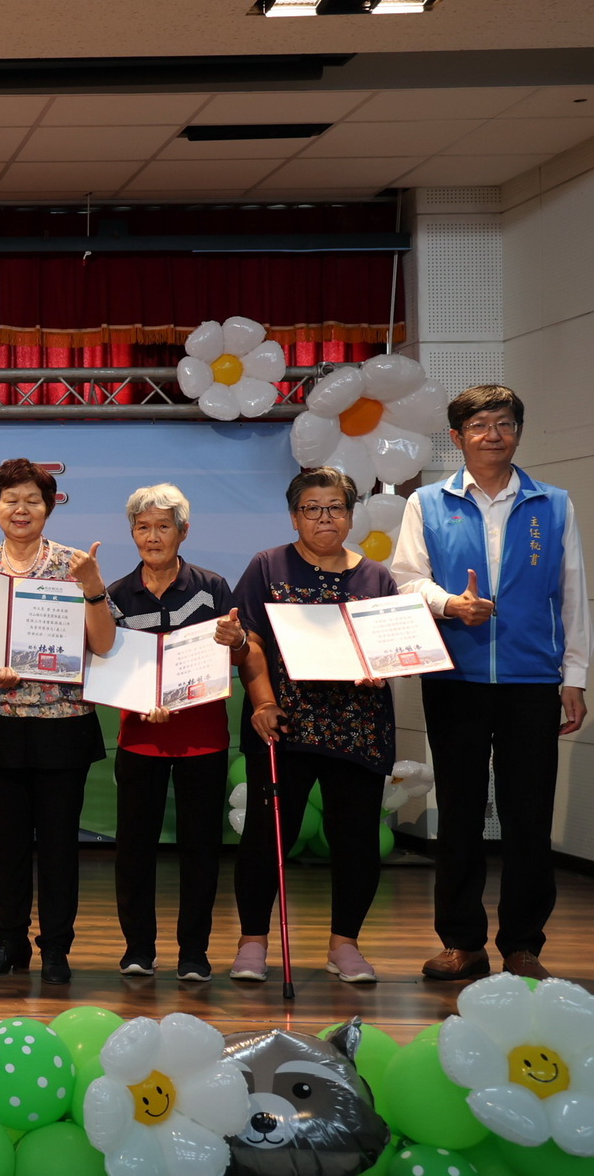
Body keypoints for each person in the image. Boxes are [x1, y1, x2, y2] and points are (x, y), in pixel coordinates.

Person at [392, 384, 588, 981]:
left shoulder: (554, 503)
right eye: (479, 426)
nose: (492, 434)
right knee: (458, 813)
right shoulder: (428, 501)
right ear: (457, 438)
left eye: (503, 423)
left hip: (533, 679)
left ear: (518, 433)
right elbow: (405, 580)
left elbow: (574, 592)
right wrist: (451, 605)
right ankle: (462, 942)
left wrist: (574, 675)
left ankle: (524, 944)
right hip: (457, 678)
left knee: (529, 815)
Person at [103, 483, 279, 983]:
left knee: (200, 849)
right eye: (143, 527)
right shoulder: (116, 595)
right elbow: (111, 665)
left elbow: (240, 654)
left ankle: (194, 953)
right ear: (132, 533)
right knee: (133, 848)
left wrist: (237, 639)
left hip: (203, 737)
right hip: (140, 736)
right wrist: (141, 702)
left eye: (163, 526)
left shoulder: (213, 587)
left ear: (183, 531)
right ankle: (138, 948)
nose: (152, 537)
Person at [0, 458, 114, 985]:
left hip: (63, 724)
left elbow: (104, 642)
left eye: (33, 500)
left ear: (49, 507)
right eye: (11, 500)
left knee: (60, 846)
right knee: (10, 847)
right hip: (2, 722)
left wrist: (91, 588)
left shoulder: (73, 564)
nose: (21, 510)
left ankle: (57, 949)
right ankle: (9, 943)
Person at [227, 466, 394, 984]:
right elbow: (249, 639)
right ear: (294, 515)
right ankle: (252, 941)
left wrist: (377, 668)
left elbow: (389, 643)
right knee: (266, 836)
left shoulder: (377, 576)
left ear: (351, 514)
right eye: (312, 509)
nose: (325, 518)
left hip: (357, 725)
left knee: (358, 840)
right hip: (284, 723)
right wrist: (262, 702)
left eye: (336, 508)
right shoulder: (268, 566)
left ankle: (344, 945)